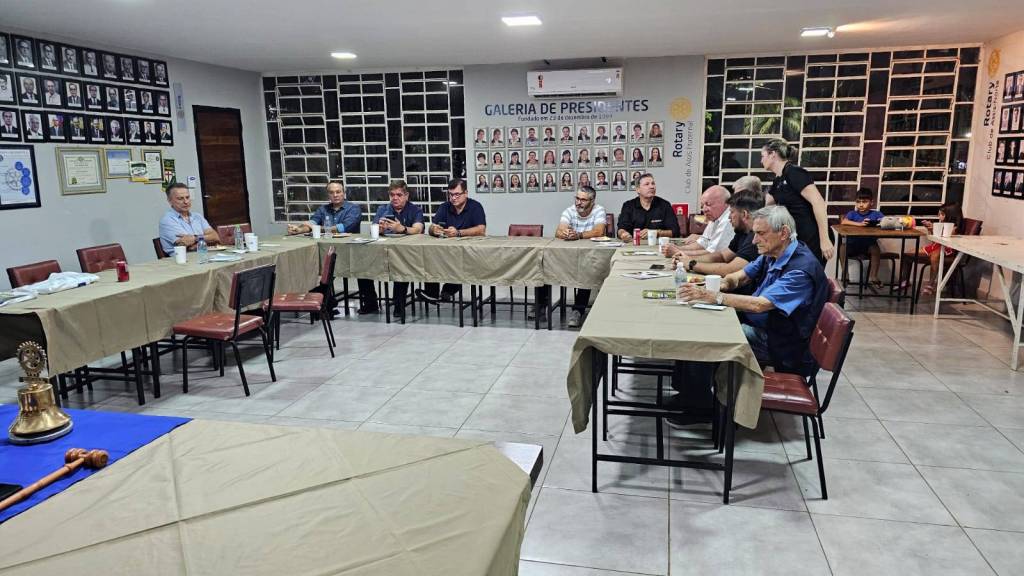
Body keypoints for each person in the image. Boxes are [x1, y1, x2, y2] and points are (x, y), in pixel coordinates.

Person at [679, 205, 828, 374]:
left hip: (782, 343)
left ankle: (697, 390)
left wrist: (715, 296)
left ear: (784, 233)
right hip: (764, 325)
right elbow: (740, 276)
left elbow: (759, 305)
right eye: (754, 233)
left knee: (707, 336)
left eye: (761, 233)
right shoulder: (773, 253)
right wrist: (723, 284)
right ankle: (699, 383)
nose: (754, 240)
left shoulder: (800, 271)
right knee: (703, 323)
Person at [673, 187, 765, 287]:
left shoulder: (755, 237)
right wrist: (688, 259)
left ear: (744, 214)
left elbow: (730, 269)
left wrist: (692, 264)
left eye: (732, 212)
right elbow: (722, 256)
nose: (729, 217)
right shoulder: (742, 232)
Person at [760, 138, 834, 264]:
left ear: (773, 154)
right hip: (797, 237)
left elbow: (818, 202)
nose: (761, 160)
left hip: (812, 236)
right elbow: (767, 206)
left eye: (763, 156)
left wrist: (824, 239)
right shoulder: (778, 180)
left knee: (808, 273)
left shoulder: (794, 172)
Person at [356, 180, 425, 315]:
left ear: (406, 195)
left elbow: (418, 229)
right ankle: (371, 303)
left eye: (399, 195)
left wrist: (402, 229)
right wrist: (380, 229)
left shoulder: (415, 210)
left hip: (405, 253)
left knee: (401, 266)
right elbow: (373, 229)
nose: (395, 198)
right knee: (362, 266)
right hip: (382, 251)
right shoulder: (383, 209)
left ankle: (398, 305)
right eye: (392, 195)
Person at [416, 179, 486, 303]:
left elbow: (481, 230)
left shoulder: (475, 207)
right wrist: (434, 230)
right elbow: (432, 227)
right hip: (446, 251)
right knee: (430, 254)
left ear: (466, 193)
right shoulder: (444, 207)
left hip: (468, 251)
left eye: (457, 194)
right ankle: (432, 293)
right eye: (451, 194)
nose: (453, 198)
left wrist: (459, 233)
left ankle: (447, 291)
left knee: (460, 262)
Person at [551, 185, 607, 327]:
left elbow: (599, 231)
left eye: (583, 200)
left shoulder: (599, 210)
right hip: (569, 256)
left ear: (592, 201)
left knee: (586, 270)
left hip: (590, 256)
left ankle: (578, 311)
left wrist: (579, 235)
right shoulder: (569, 211)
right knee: (547, 262)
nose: (578, 202)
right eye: (577, 198)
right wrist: (565, 233)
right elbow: (558, 231)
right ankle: (541, 305)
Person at [900, 202, 963, 296]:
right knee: (908, 254)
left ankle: (930, 284)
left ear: (951, 215)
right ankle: (905, 280)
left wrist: (934, 227)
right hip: (936, 246)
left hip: (947, 249)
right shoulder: (942, 224)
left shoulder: (954, 228)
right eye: (939, 214)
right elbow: (934, 239)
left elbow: (946, 236)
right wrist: (930, 229)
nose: (939, 216)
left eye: (942, 214)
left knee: (935, 255)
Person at [840, 188, 886, 290]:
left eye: (864, 202)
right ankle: (845, 274)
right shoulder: (852, 214)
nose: (861, 205)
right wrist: (859, 224)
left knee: (875, 249)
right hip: (853, 245)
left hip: (868, 246)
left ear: (871, 202)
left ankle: (873, 276)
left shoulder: (876, 214)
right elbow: (844, 222)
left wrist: (880, 222)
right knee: (843, 247)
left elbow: (885, 221)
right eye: (858, 202)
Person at [670, 185, 735, 257]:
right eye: (702, 206)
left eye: (708, 204)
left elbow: (714, 254)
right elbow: (703, 242)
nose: (704, 210)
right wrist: (678, 248)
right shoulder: (715, 216)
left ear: (725, 203)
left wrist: (678, 252)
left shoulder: (728, 219)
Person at [158, 183, 221, 255]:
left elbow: (215, 237)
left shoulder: (197, 216)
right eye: (180, 198)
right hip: (182, 259)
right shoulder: (167, 220)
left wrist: (195, 238)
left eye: (187, 197)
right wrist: (205, 240)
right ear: (170, 201)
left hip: (203, 256)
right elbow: (187, 245)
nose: (186, 202)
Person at [616, 174, 680, 241]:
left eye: (653, 183)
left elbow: (675, 232)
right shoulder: (628, 206)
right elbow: (621, 229)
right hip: (634, 244)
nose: (652, 187)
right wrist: (623, 234)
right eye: (647, 184)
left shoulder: (665, 205)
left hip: (658, 245)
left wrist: (656, 233)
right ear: (638, 190)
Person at [287, 181, 362, 235]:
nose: (335, 195)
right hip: (326, 244)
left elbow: (341, 228)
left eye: (338, 192)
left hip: (348, 246)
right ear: (328, 195)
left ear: (344, 193)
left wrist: (315, 228)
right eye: (331, 192)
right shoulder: (323, 209)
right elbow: (312, 223)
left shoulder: (354, 209)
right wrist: (299, 229)